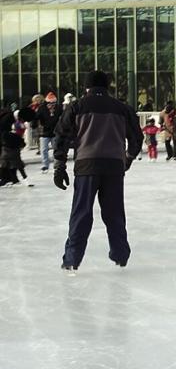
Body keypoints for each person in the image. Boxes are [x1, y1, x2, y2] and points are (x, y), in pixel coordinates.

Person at [53, 70, 143, 273]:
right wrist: (128, 158)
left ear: (87, 87)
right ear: (107, 87)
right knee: (114, 213)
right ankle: (120, 255)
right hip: (114, 166)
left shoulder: (77, 106)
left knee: (81, 213)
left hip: (86, 166)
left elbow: (61, 135)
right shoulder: (122, 108)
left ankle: (72, 259)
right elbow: (137, 138)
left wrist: (60, 165)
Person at [35, 92, 62, 172]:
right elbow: (36, 117)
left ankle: (57, 165)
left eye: (54, 103)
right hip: (45, 132)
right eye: (50, 103)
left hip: (55, 132)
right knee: (44, 150)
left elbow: (63, 117)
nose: (52, 105)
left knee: (56, 149)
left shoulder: (58, 108)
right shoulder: (42, 108)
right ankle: (45, 165)